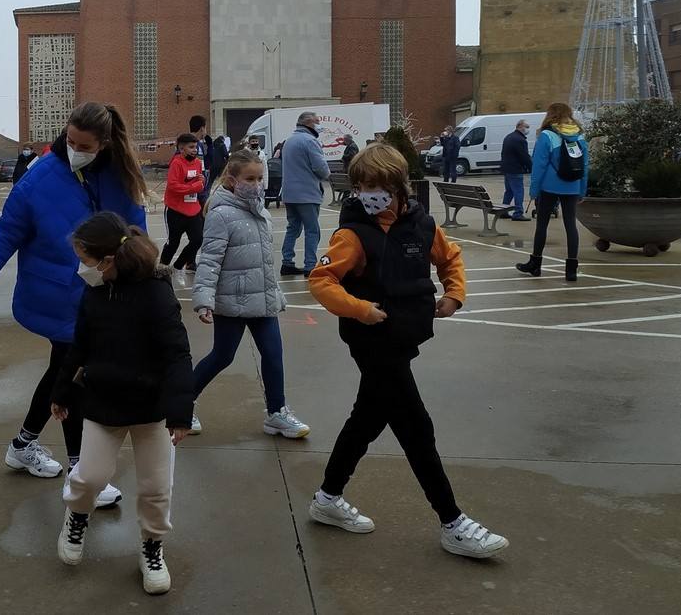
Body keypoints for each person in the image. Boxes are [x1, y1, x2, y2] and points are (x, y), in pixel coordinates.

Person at [307, 144, 508, 558]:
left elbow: (450, 258)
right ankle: (452, 522)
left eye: (377, 186)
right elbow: (322, 280)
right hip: (373, 342)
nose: (368, 193)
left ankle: (327, 498)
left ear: (398, 186)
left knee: (366, 419)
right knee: (416, 428)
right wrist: (359, 309)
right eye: (362, 186)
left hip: (405, 337)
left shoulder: (421, 224)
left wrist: (455, 294)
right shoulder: (352, 234)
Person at [0, 102, 148, 505]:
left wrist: (141, 277)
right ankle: (80, 471)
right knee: (74, 377)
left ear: (104, 144)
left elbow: (136, 231)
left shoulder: (119, 174)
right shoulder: (40, 178)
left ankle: (23, 445)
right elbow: (5, 234)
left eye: (83, 144)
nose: (73, 148)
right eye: (69, 140)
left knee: (63, 373)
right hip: (57, 296)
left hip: (102, 294)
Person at [52, 212, 193, 595]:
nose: (83, 268)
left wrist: (181, 411)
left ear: (109, 259)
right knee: (90, 477)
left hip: (151, 409)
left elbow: (178, 354)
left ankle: (152, 547)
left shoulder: (156, 292)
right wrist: (62, 390)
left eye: (86, 259)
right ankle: (76, 517)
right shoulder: (94, 291)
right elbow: (78, 345)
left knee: (155, 487)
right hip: (103, 403)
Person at [190, 149, 309, 439]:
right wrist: (204, 299)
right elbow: (209, 260)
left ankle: (277, 413)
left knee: (273, 354)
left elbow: (264, 260)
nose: (256, 184)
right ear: (232, 180)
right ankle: (181, 401)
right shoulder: (221, 214)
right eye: (249, 178)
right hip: (233, 300)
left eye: (259, 178)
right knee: (222, 356)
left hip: (263, 298)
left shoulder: (261, 212)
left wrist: (274, 292)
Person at [516, 102, 589, 283]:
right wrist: (582, 190)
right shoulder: (580, 136)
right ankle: (571, 269)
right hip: (572, 186)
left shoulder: (547, 136)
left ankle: (536, 264)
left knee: (542, 225)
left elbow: (539, 166)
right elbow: (585, 166)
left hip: (549, 186)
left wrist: (534, 190)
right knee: (570, 225)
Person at [280, 111, 330, 278]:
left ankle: (287, 262)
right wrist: (326, 175)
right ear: (309, 123)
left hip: (289, 193)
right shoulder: (310, 141)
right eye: (317, 121)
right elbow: (321, 168)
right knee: (312, 230)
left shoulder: (289, 141)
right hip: (307, 193)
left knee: (292, 228)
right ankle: (310, 265)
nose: (319, 124)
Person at [160, 133, 206, 272]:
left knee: (198, 239)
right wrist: (195, 187)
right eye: (191, 147)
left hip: (193, 208)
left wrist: (202, 181)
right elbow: (173, 186)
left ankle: (177, 267)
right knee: (173, 243)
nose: (195, 150)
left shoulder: (198, 163)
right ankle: (162, 267)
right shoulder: (176, 163)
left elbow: (200, 182)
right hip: (176, 210)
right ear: (181, 149)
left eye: (196, 147)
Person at [499, 120, 533, 222]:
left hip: (507, 169)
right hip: (516, 169)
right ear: (520, 127)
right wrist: (531, 167)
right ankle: (518, 213)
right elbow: (524, 156)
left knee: (509, 191)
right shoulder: (520, 140)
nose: (527, 129)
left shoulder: (508, 137)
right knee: (518, 191)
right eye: (526, 127)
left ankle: (503, 211)